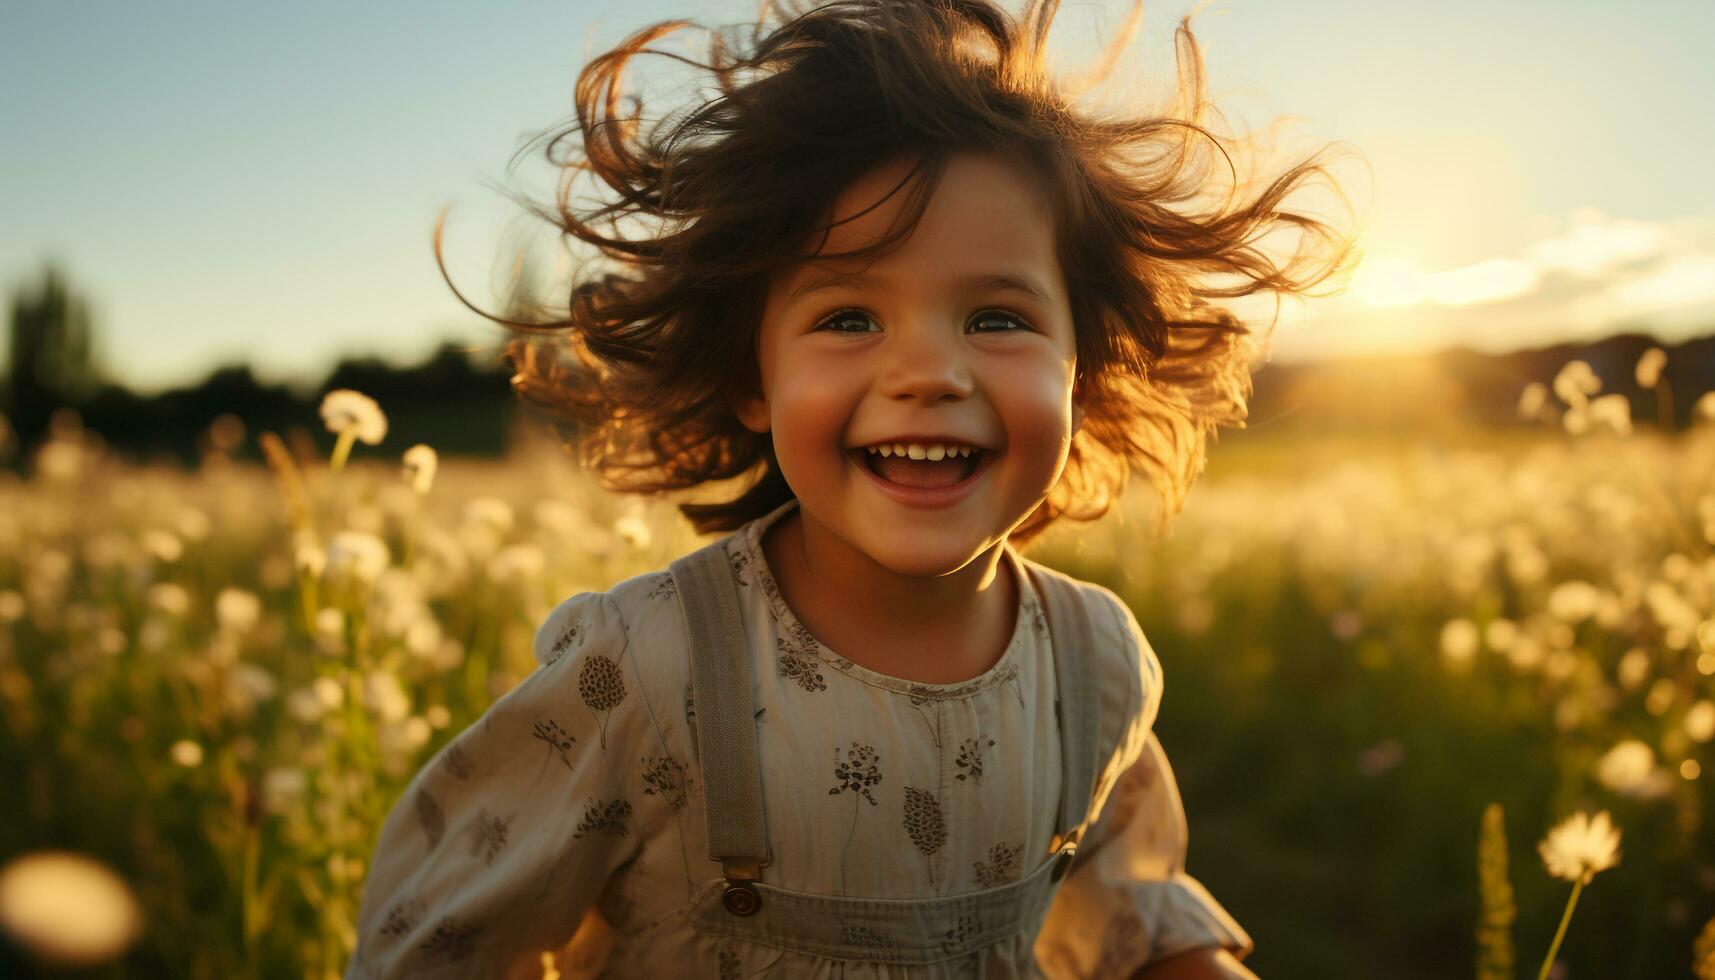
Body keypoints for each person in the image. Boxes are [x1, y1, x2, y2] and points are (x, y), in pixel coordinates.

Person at [349, 0, 1354, 976]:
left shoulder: (1092, 666)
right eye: (847, 318)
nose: (928, 372)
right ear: (752, 376)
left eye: (996, 318)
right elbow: (445, 937)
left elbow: (1126, 899)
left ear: (1079, 373)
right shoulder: (646, 669)